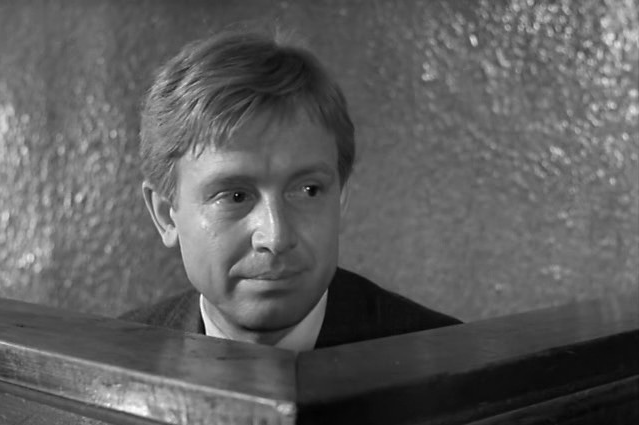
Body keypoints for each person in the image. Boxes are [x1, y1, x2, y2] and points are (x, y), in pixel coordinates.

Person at [121, 30, 460, 350]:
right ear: (166, 216)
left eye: (309, 190)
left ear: (341, 198)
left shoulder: (455, 364)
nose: (276, 237)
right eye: (236, 196)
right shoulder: (112, 364)